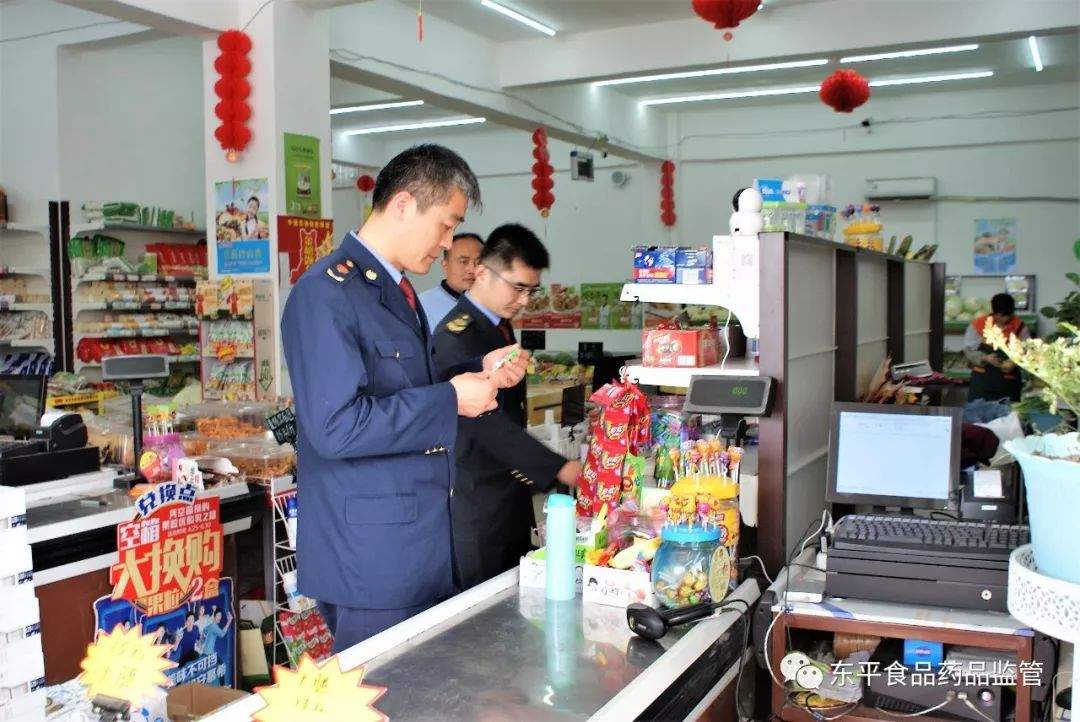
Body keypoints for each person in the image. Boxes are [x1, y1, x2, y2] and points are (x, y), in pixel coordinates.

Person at [281, 144, 529, 652]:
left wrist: (474, 377)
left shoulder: (393, 290)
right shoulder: (325, 293)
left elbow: (404, 390)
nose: (447, 245)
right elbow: (336, 426)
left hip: (417, 546)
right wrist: (449, 401)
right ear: (401, 205)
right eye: (444, 225)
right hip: (372, 560)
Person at [433, 223, 582, 589]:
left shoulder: (499, 326)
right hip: (475, 498)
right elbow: (487, 424)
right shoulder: (457, 336)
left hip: (508, 490)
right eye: (518, 288)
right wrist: (560, 468)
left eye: (532, 291)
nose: (525, 301)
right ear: (481, 272)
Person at [965, 292, 1030, 402]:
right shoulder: (979, 325)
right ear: (994, 312)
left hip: (1008, 383)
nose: (1003, 318)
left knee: (1008, 415)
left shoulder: (1020, 327)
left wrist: (1014, 361)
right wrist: (985, 358)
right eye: (1000, 315)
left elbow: (1026, 349)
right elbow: (969, 350)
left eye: (1007, 315)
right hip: (981, 382)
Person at [419, 232, 484, 330]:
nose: (472, 269)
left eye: (479, 262)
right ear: (445, 266)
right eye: (463, 262)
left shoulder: (493, 303)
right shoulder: (421, 306)